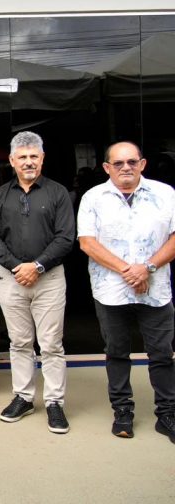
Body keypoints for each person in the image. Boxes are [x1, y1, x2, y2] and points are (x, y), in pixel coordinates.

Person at [77, 141, 175, 443]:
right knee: (116, 353)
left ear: (142, 164)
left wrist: (146, 268)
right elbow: (87, 243)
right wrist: (129, 271)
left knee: (161, 354)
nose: (126, 168)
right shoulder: (94, 197)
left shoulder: (165, 194)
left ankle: (167, 414)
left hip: (156, 289)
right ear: (107, 167)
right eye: (118, 163)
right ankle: (122, 412)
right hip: (111, 291)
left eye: (132, 162)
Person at [0, 131, 74, 434]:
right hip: (11, 280)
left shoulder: (58, 193)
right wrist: (16, 267)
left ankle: (54, 403)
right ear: (12, 161)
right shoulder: (0, 195)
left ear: (43, 158)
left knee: (50, 344)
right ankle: (23, 397)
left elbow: (66, 238)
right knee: (19, 342)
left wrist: (36, 266)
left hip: (49, 278)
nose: (28, 162)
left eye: (34, 156)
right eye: (22, 157)